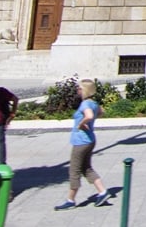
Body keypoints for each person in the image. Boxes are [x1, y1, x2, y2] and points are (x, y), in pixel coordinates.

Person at [54, 79, 109, 210]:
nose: (77, 90)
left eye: (79, 88)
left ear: (84, 90)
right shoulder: (94, 103)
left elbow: (89, 115)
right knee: (86, 168)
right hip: (90, 140)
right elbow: (101, 112)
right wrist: (89, 122)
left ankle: (70, 200)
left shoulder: (85, 104)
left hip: (81, 141)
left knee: (74, 170)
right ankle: (102, 192)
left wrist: (81, 123)